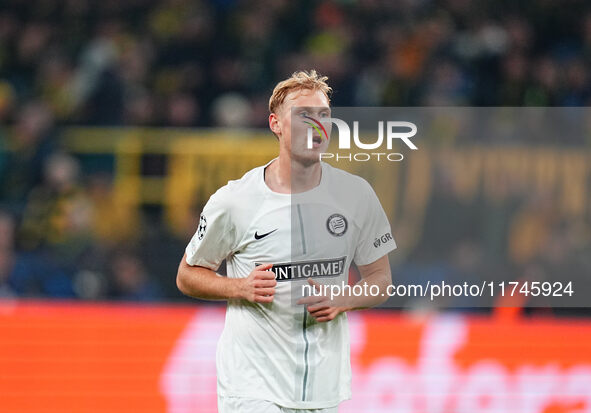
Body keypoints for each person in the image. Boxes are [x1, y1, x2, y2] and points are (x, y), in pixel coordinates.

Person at [176, 70, 396, 412]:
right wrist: (238, 287)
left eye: (323, 115)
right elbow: (187, 275)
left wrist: (345, 299)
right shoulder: (236, 200)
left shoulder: (357, 196)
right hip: (251, 386)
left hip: (323, 388)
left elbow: (381, 280)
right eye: (303, 115)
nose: (316, 124)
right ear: (276, 124)